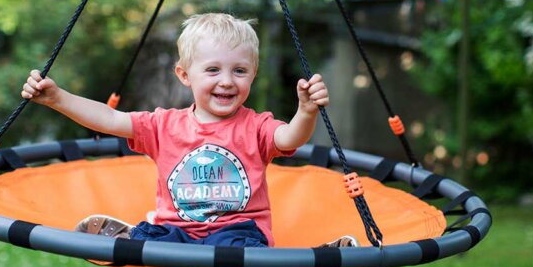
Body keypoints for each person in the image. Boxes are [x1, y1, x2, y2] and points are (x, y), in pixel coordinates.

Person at [21, 13, 356, 248]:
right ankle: (128, 239)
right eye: (213, 70)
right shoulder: (164, 125)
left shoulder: (256, 126)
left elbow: (289, 138)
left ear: (252, 75)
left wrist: (306, 112)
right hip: (176, 231)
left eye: (239, 71)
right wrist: (58, 99)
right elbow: (109, 119)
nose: (227, 80)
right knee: (155, 237)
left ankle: (321, 256)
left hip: (237, 231)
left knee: (235, 243)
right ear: (185, 75)